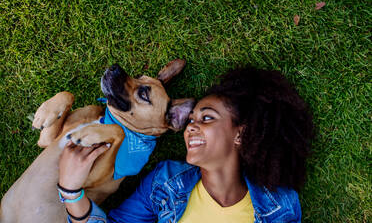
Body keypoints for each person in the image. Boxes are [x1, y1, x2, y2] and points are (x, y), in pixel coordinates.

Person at [58, 66, 314, 223]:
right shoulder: (165, 181)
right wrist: (71, 191)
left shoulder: (280, 205)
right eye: (191, 119)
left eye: (207, 118)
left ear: (240, 134)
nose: (191, 126)